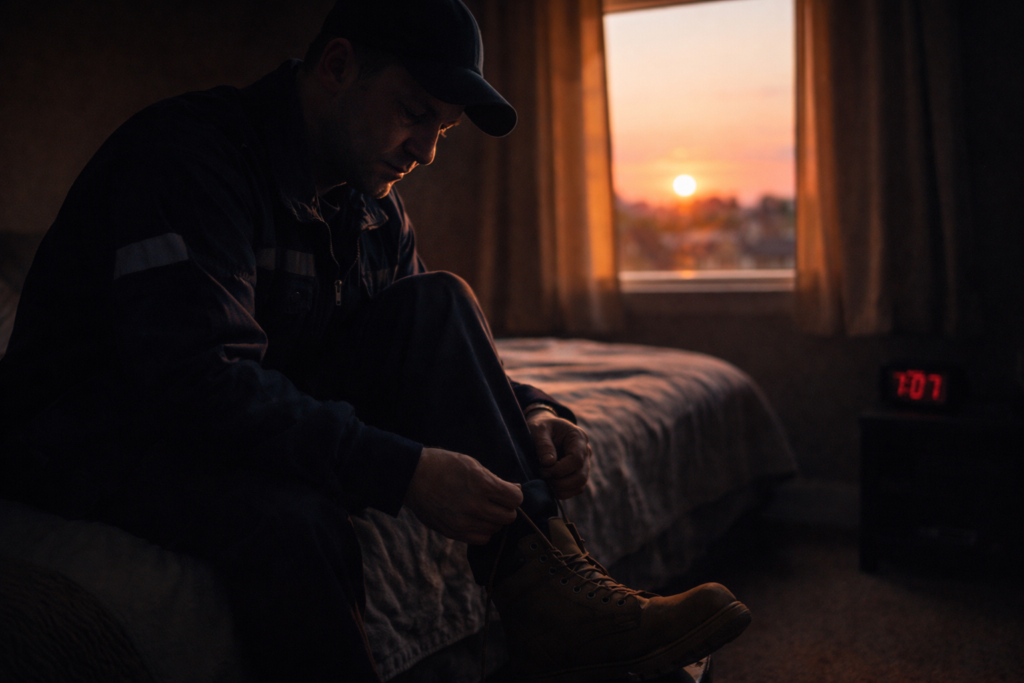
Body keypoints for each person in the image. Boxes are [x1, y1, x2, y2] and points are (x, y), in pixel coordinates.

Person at [0, 1, 750, 681]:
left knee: (438, 300)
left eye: (441, 131)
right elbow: (197, 381)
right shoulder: (189, 156)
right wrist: (403, 470)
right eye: (412, 113)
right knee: (297, 523)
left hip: (227, 403)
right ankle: (562, 625)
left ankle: (551, 603)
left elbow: (430, 352)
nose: (424, 151)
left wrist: (535, 413)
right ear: (337, 66)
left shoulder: (370, 207)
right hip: (97, 428)